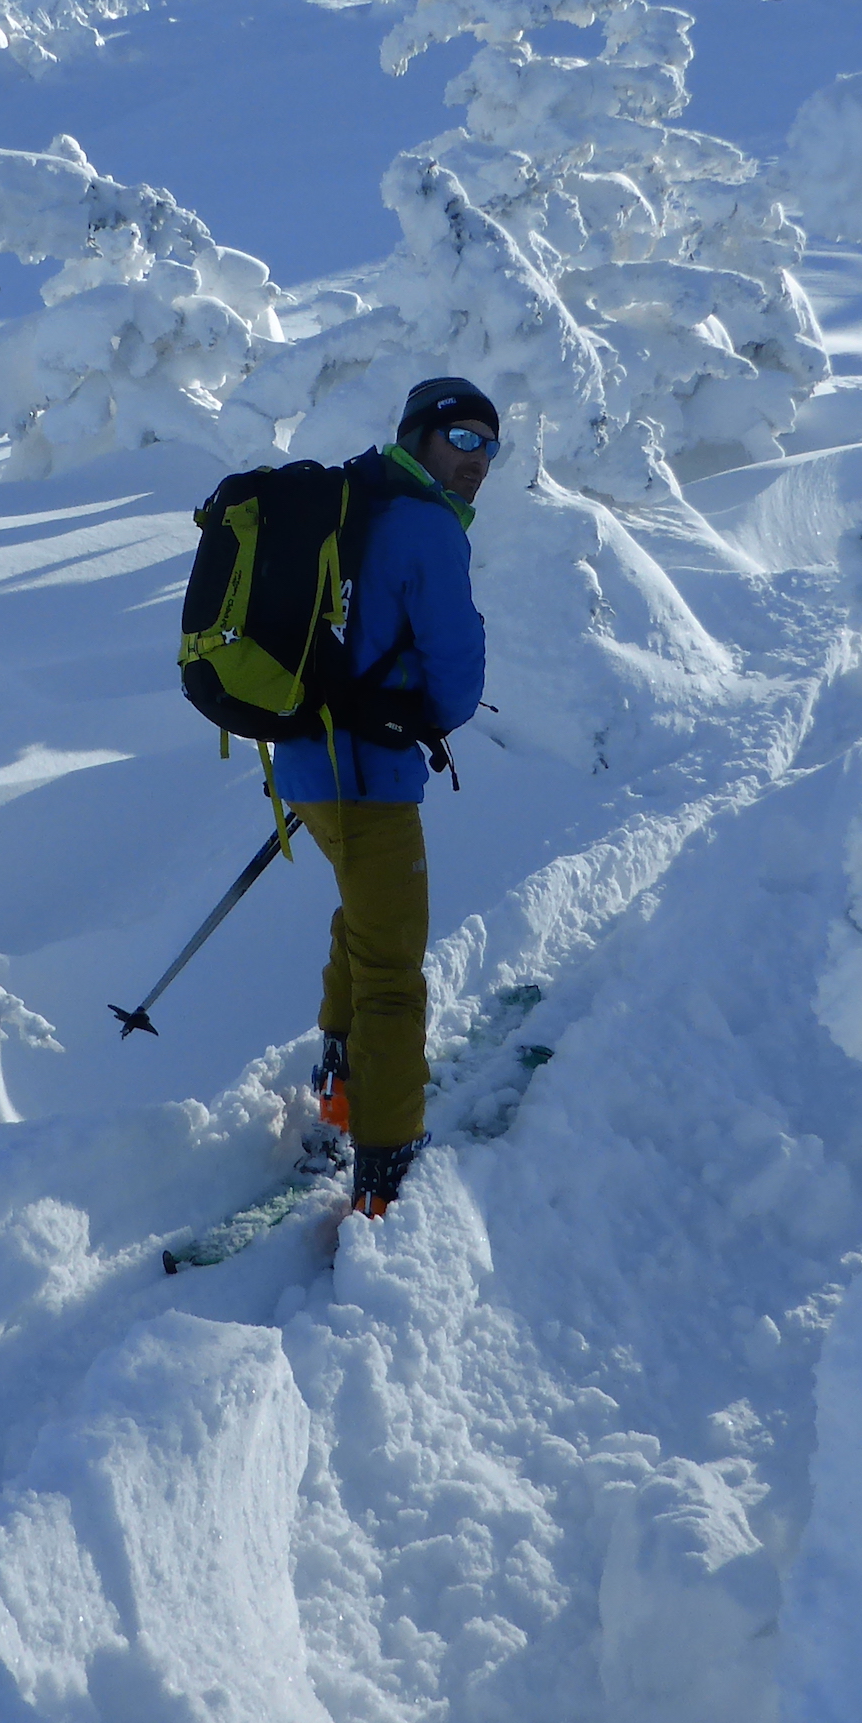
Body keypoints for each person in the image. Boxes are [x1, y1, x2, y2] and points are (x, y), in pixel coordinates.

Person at [276, 375, 495, 1218]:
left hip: (306, 767)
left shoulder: (356, 505)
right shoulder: (426, 525)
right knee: (394, 969)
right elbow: (455, 677)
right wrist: (422, 714)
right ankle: (386, 1161)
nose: (477, 461)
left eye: (489, 446)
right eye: (462, 440)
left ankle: (338, 1083)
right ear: (421, 436)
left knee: (360, 922)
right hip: (368, 775)